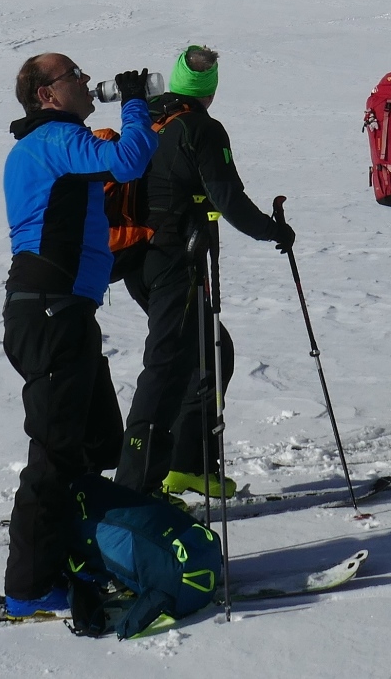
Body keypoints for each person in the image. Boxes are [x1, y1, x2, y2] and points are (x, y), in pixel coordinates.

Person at [0, 54, 158, 629]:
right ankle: (29, 588)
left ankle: (77, 556)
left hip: (60, 310)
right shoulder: (55, 138)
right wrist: (136, 102)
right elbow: (129, 159)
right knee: (55, 453)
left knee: (94, 445)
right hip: (50, 312)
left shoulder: (47, 144)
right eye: (74, 76)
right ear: (46, 94)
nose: (88, 82)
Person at [112, 45, 295, 497]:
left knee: (206, 353)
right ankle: (144, 483)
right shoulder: (201, 129)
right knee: (177, 361)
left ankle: (183, 465)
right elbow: (228, 200)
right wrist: (275, 232)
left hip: (139, 259)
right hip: (177, 259)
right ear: (209, 90)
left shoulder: (152, 118)